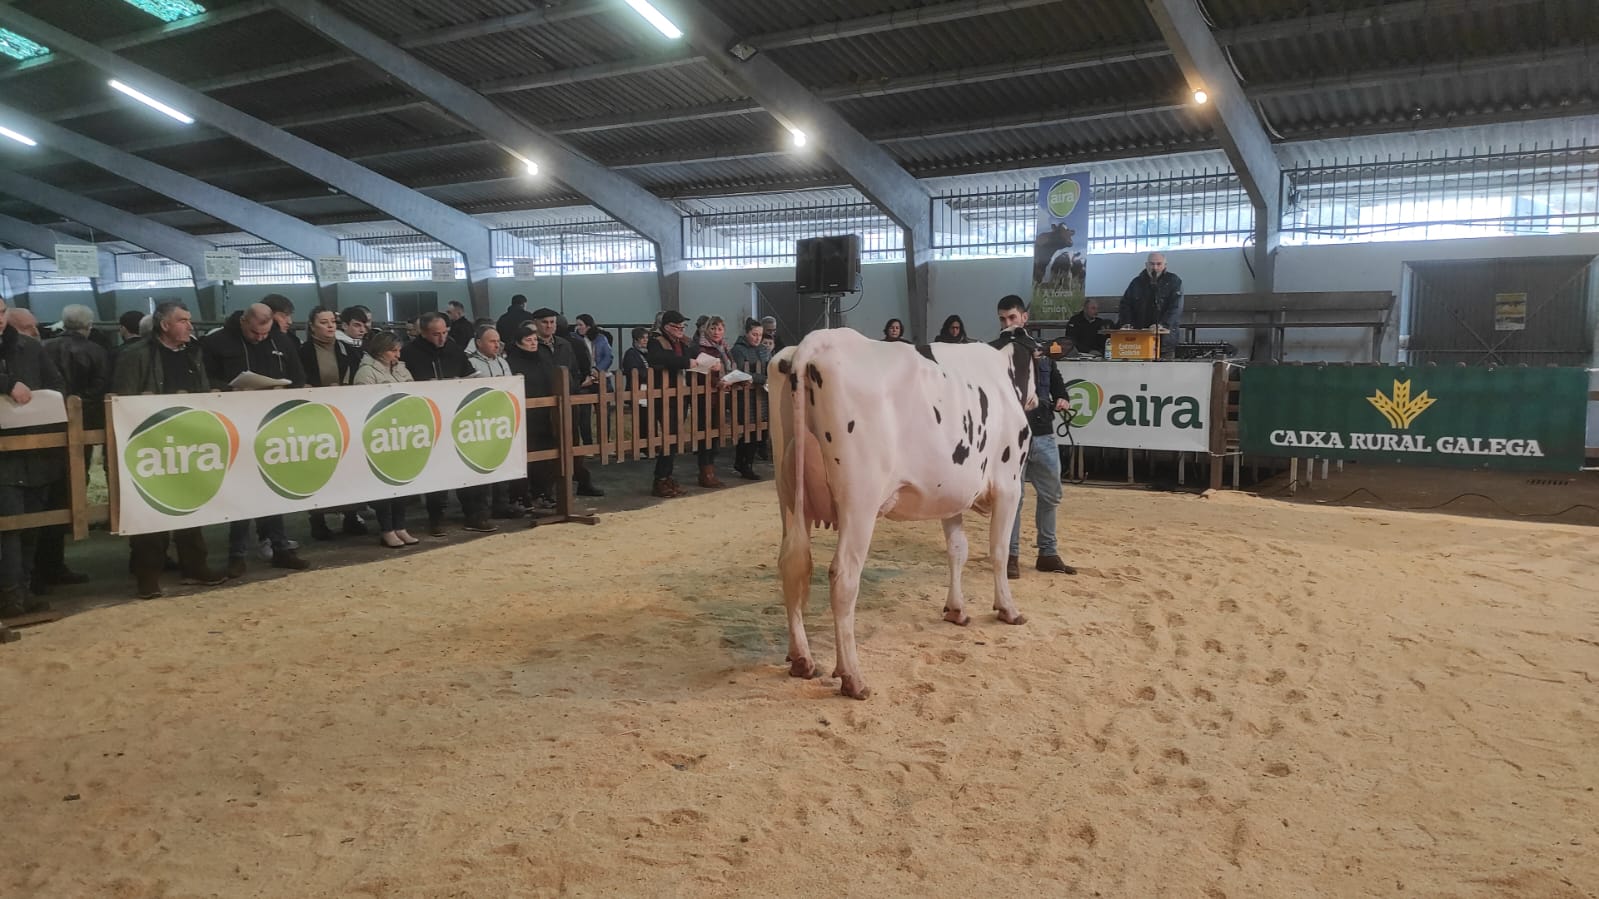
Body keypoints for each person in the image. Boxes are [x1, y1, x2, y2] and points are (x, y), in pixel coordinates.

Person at [110, 300, 230, 599]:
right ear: (164, 325)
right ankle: (148, 575)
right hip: (151, 441)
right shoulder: (136, 355)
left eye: (189, 320)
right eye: (182, 320)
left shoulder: (193, 353)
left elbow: (202, 390)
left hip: (189, 437)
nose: (190, 325)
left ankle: (195, 566)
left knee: (192, 500)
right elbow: (124, 398)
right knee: (150, 506)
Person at [202, 303, 312, 578]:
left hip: (273, 423)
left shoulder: (281, 341)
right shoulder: (216, 342)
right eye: (254, 333)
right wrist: (227, 389)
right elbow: (205, 378)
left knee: (273, 485)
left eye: (265, 333)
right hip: (235, 424)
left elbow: (298, 375)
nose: (260, 338)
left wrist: (287, 387)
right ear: (243, 320)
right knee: (243, 489)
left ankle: (280, 546)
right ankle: (236, 553)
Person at [995, 294, 1076, 579]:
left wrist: (1063, 398)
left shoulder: (1042, 351)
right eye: (1003, 319)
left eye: (1012, 317)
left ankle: (1048, 553)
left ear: (1024, 318)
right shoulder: (995, 352)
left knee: (1051, 494)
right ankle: (1010, 556)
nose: (1007, 323)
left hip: (1042, 433)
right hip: (1010, 436)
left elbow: (1056, 383)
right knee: (1012, 498)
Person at [0, 298, 66, 618]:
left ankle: (22, 590)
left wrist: (41, 403)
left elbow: (57, 383)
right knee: (9, 528)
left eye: (1, 312)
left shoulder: (30, 347)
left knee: (31, 525)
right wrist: (6, 384)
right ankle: (9, 593)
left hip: (36, 448)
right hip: (4, 458)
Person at [403, 311, 495, 534]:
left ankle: (474, 514)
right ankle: (436, 518)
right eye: (436, 334)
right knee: (436, 470)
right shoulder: (410, 353)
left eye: (445, 332)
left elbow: (470, 374)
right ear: (423, 333)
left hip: (459, 416)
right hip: (428, 419)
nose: (442, 338)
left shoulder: (453, 349)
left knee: (467, 465)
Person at [351, 331, 421, 548]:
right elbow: (363, 403)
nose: (397, 355)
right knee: (383, 483)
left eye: (398, 350)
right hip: (380, 432)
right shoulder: (366, 372)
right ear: (380, 351)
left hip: (403, 430)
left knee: (402, 482)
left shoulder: (401, 369)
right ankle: (387, 528)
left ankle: (400, 525)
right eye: (393, 351)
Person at [646, 310, 720, 497]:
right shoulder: (656, 341)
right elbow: (659, 358)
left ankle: (667, 477)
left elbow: (697, 354)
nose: (680, 330)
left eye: (682, 326)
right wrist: (686, 362)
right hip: (664, 395)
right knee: (669, 438)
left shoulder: (682, 342)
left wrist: (712, 363)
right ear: (666, 327)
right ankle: (660, 479)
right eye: (677, 327)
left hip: (680, 394)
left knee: (675, 437)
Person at [1118, 252, 1184, 359]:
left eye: (1159, 264)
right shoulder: (1136, 283)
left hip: (1165, 340)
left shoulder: (1174, 281)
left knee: (1164, 368)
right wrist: (1127, 323)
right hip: (1140, 339)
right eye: (1152, 264)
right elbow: (1125, 304)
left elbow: (1176, 307)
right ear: (1146, 264)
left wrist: (1163, 325)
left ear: (1165, 265)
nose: (1155, 267)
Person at [728, 318, 768, 480]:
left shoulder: (763, 349)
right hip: (744, 396)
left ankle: (745, 462)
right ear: (746, 333)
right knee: (749, 430)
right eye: (754, 334)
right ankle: (744, 464)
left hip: (761, 395)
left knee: (759, 430)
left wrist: (762, 378)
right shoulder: (738, 350)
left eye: (760, 335)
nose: (757, 338)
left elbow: (769, 367)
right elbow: (740, 372)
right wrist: (762, 378)